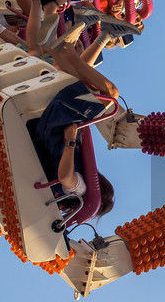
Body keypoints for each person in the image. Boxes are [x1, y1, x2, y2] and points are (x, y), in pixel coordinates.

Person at [26, 11, 120, 219]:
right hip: (50, 128)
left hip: (57, 128)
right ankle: (65, 50)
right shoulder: (68, 192)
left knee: (110, 95)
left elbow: (65, 177)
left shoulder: (80, 190)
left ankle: (66, 51)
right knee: (84, 86)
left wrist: (70, 141)